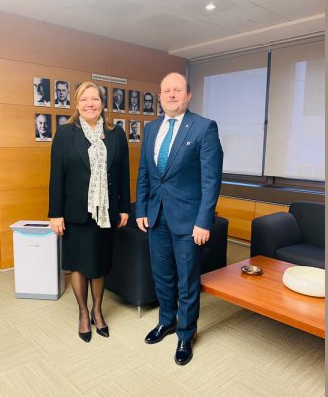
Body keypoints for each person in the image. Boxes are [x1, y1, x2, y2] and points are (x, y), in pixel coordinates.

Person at [135, 72, 223, 365]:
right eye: (166, 91)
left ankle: (186, 333)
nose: (171, 95)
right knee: (162, 274)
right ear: (160, 96)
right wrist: (141, 210)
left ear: (188, 95)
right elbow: (145, 173)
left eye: (177, 90)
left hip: (189, 219)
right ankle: (166, 320)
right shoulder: (151, 129)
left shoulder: (204, 127)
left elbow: (211, 180)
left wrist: (204, 221)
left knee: (186, 279)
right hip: (156, 216)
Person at [49, 81, 131, 343]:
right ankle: (83, 313)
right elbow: (56, 176)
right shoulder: (65, 133)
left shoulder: (116, 134)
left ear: (102, 103)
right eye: (84, 99)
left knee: (99, 263)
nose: (90, 104)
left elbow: (123, 174)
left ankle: (98, 310)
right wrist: (55, 213)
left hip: (106, 211)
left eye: (94, 99)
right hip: (75, 212)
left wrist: (125, 207)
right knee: (78, 264)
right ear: (77, 103)